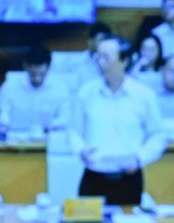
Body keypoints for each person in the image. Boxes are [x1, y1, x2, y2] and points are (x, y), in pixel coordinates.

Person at [65, 37, 164, 208]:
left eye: (106, 58)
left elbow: (158, 135)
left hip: (129, 178)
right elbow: (74, 131)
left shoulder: (144, 95)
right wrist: (81, 151)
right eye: (98, 57)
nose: (100, 63)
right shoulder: (86, 93)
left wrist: (140, 158)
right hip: (93, 177)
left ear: (124, 61)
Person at [0, 45, 72, 134]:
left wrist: (47, 127)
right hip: (16, 141)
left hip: (49, 140)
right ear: (25, 66)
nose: (37, 79)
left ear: (48, 67)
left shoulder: (60, 89)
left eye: (41, 74)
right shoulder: (9, 86)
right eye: (33, 74)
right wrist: (7, 125)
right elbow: (2, 116)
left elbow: (65, 119)